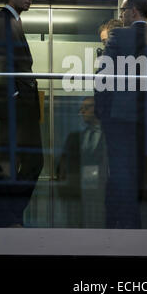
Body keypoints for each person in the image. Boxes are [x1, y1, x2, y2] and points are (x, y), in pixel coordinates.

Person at [95, 0, 147, 229]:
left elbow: (102, 79)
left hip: (119, 118)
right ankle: (134, 223)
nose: (121, 15)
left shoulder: (119, 35)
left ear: (133, 11)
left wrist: (102, 114)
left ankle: (122, 225)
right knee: (139, 172)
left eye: (123, 11)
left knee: (119, 171)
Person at [0, 0, 44, 227]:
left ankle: (10, 217)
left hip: (23, 104)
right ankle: (8, 218)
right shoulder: (1, 20)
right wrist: (14, 95)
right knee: (19, 162)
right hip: (15, 104)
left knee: (24, 162)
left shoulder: (14, 21)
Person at [57, 97, 108, 228]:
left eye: (87, 107)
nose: (82, 111)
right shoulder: (74, 137)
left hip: (100, 194)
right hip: (76, 193)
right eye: (82, 108)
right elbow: (63, 167)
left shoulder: (110, 137)